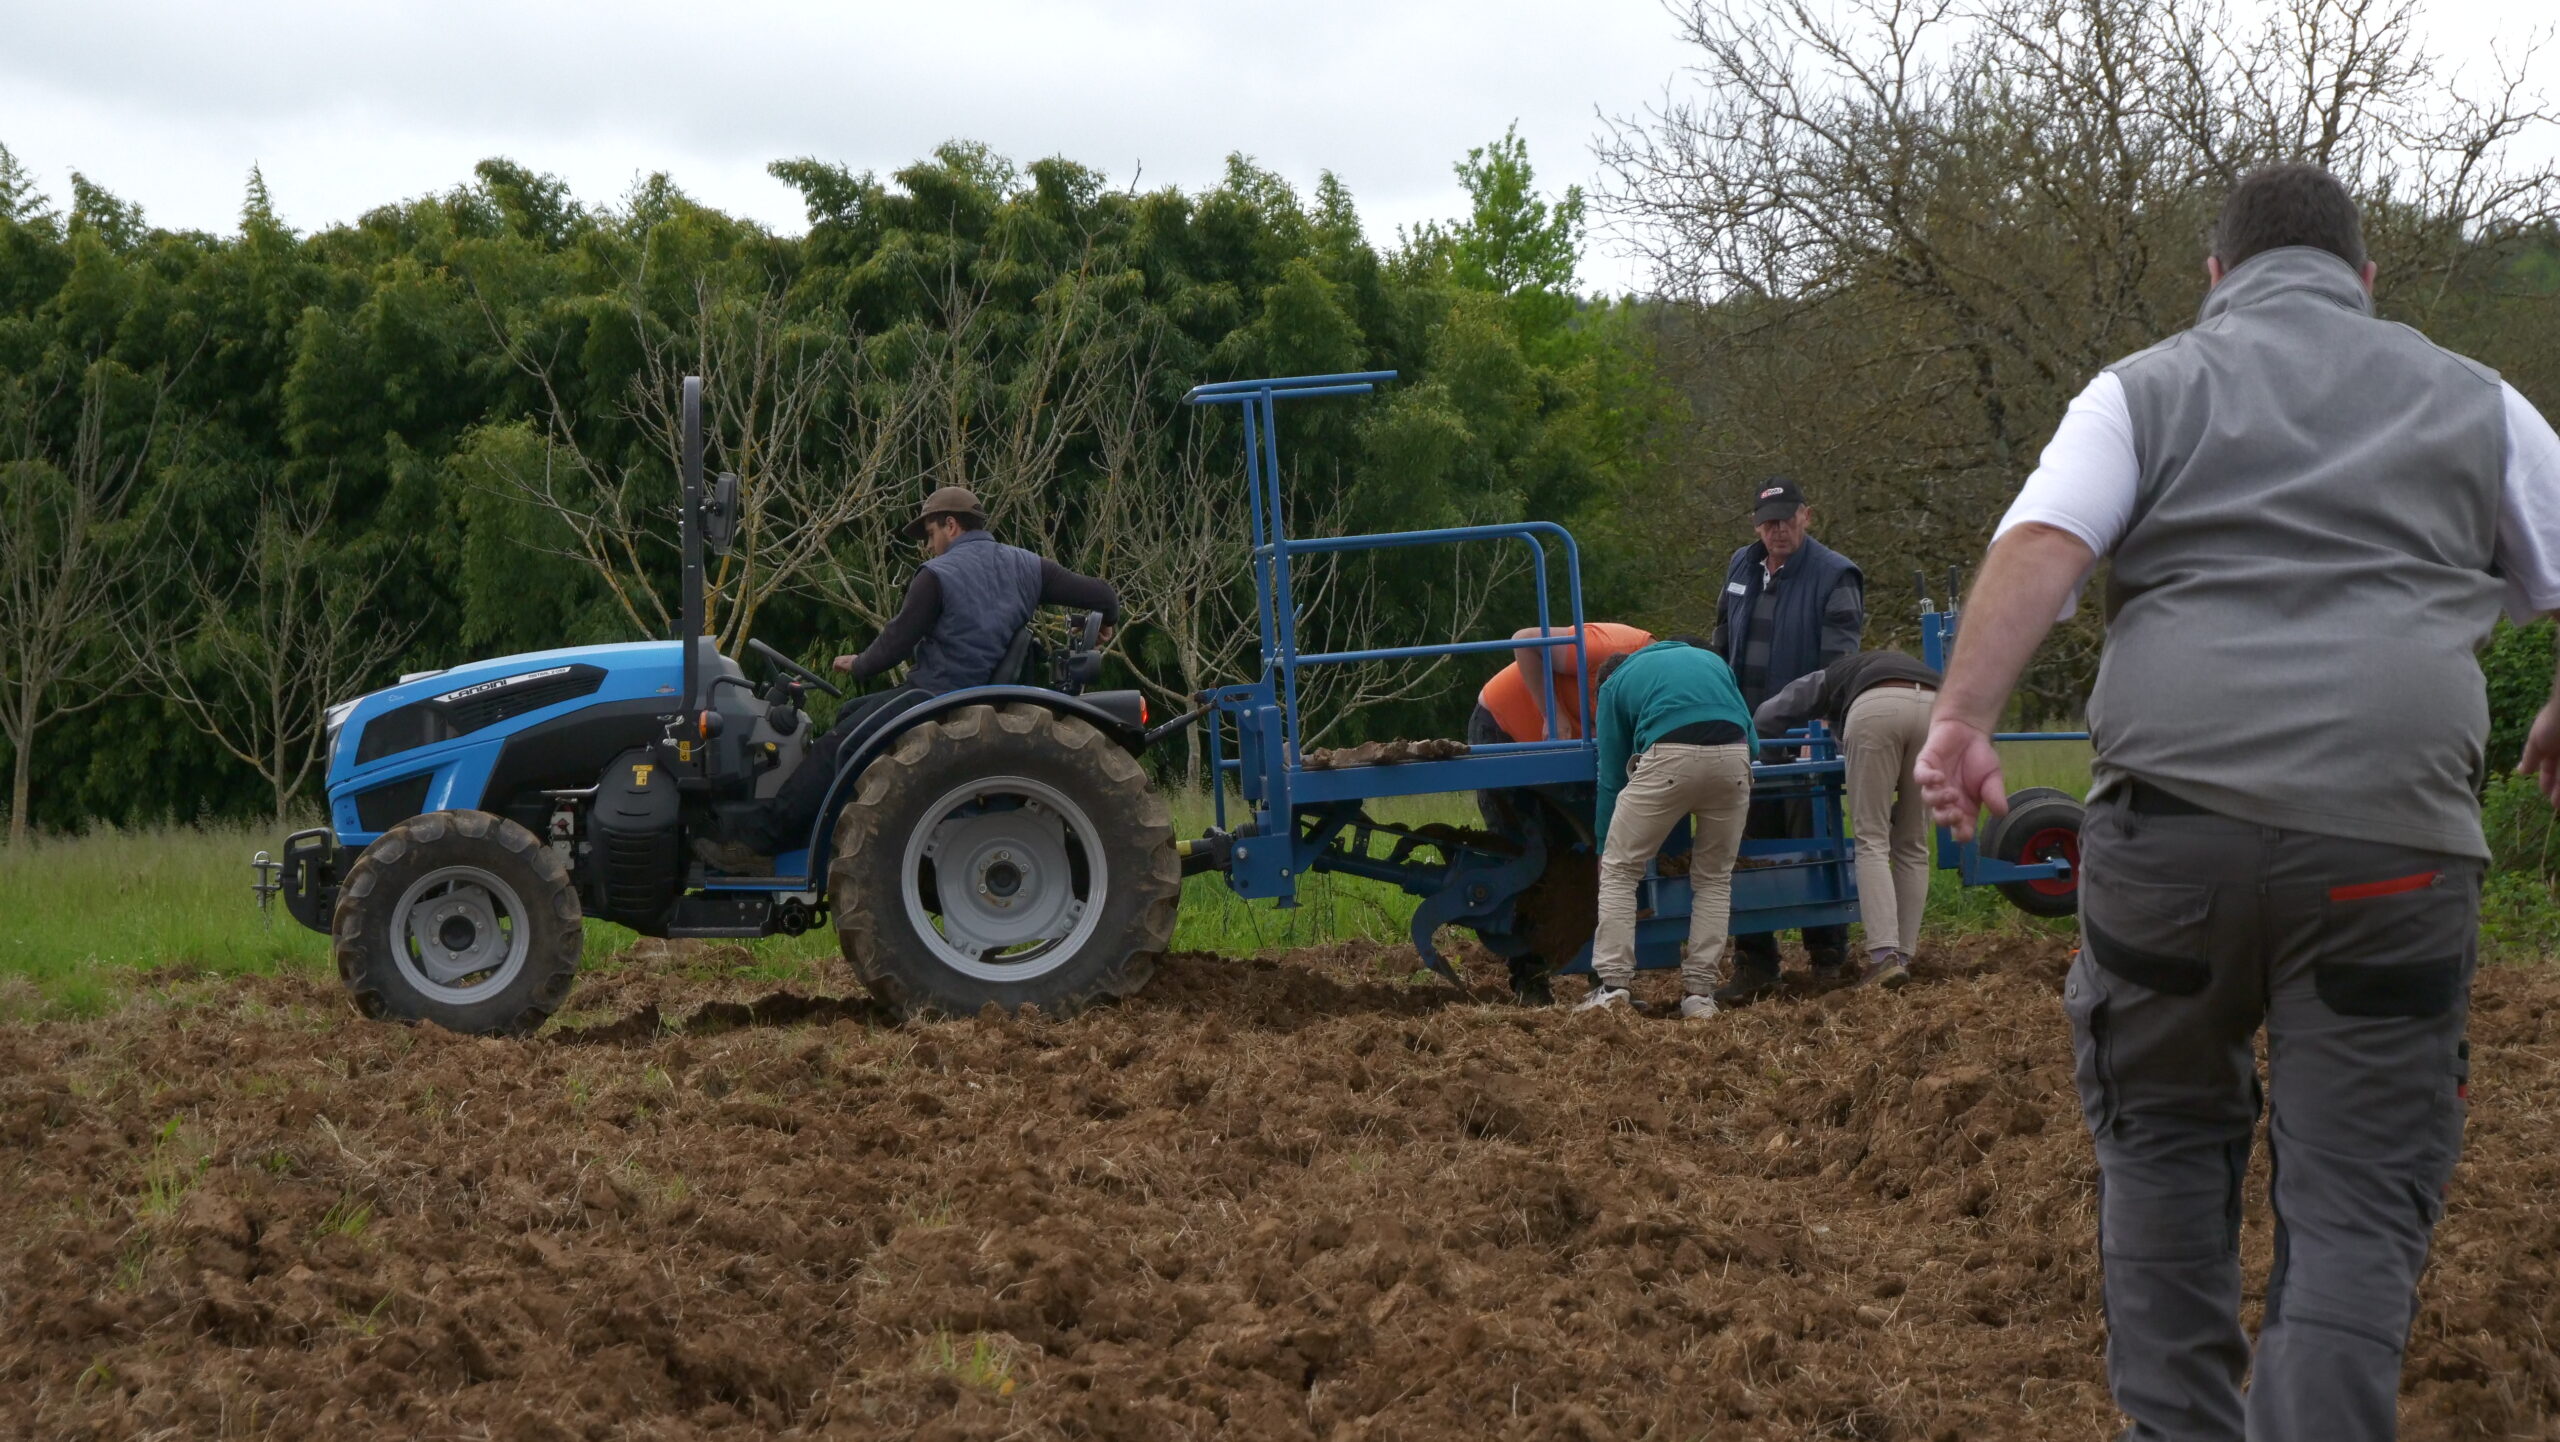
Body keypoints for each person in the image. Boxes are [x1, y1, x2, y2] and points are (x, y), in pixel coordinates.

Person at [1915, 164, 2560, 1441]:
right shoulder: (2478, 403)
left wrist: (1961, 721)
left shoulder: (2144, 388)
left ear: (2214, 279)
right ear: (2365, 283)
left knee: (2158, 1147)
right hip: (2390, 849)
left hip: (2170, 843)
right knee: (2358, 1205)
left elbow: (2044, 542)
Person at [704, 485, 1120, 866]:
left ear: (951, 526)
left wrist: (861, 663)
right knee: (853, 713)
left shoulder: (938, 575)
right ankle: (826, 834)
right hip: (981, 692)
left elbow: (899, 640)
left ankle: (760, 842)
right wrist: (1106, 621)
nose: (928, 545)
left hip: (938, 696)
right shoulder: (1028, 566)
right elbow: (1101, 594)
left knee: (838, 746)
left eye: (930, 533)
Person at [1709, 476, 1865, 1001]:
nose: (1777, 529)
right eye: (1768, 521)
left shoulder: (1834, 574)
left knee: (1813, 843)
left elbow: (1840, 662)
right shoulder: (1740, 565)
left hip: (1802, 734)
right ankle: (1755, 964)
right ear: (1756, 524)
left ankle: (1828, 962)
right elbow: (1721, 640)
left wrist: (1820, 725)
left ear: (1807, 516)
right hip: (1745, 732)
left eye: (1786, 518)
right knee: (1744, 844)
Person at [1468, 622, 1657, 1002]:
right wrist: (1553, 715)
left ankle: (1604, 979)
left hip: (1575, 756)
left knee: (1597, 854)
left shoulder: (1658, 687)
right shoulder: (1609, 647)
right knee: (1528, 854)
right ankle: (1529, 979)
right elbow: (1524, 640)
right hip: (1506, 728)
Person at [1580, 638, 1758, 1020]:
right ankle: (1700, 996)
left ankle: (1612, 987)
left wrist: (1601, 843)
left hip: (1668, 757)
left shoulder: (1614, 686)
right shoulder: (1711, 662)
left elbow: (1611, 776)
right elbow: (1753, 743)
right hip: (1734, 759)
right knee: (1713, 879)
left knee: (1620, 869)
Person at [1754, 649, 1941, 989]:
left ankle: (1883, 957)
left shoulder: (1827, 677)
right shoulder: (1900, 664)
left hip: (1876, 710)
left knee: (1871, 840)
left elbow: (1768, 716)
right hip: (1937, 710)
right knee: (1912, 844)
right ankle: (1903, 955)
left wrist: (1772, 760)